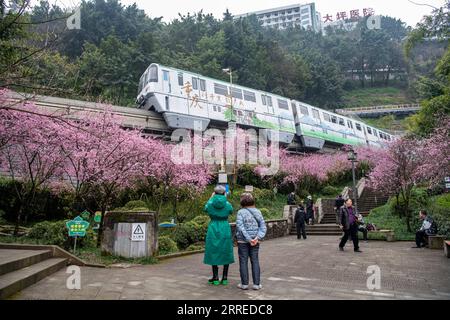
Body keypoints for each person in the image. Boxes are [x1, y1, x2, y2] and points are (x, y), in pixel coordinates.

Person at [203, 185, 235, 285]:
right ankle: (225, 277)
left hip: (213, 226)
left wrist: (211, 198)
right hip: (224, 226)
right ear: (224, 193)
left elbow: (205, 208)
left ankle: (215, 277)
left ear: (214, 193)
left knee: (213, 250)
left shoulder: (211, 202)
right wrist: (225, 199)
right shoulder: (227, 203)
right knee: (226, 250)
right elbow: (231, 211)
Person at [236, 193, 267, 291]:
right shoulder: (258, 211)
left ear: (242, 202)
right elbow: (263, 227)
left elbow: (240, 227)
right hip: (255, 241)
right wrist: (257, 238)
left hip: (242, 241)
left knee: (243, 261)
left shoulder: (240, 212)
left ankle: (244, 284)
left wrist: (248, 239)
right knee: (255, 261)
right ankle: (256, 284)